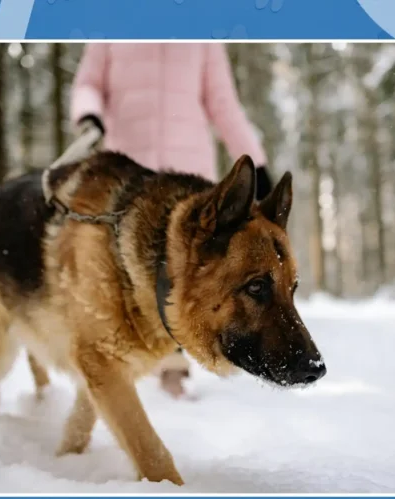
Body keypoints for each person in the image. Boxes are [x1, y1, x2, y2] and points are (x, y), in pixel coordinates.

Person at [68, 42, 275, 400]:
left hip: (188, 175)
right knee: (122, 270)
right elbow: (87, 84)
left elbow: (223, 103)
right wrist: (89, 115)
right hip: (130, 172)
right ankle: (118, 356)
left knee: (185, 269)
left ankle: (172, 369)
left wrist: (255, 162)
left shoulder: (202, 35)